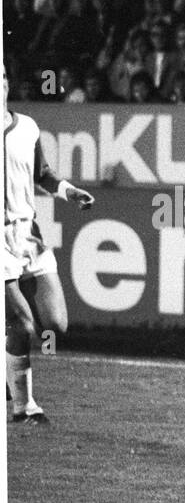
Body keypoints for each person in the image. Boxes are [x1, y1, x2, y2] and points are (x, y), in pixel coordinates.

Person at [3, 67, 95, 424]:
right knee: (23, 326)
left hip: (30, 235)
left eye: (4, 77)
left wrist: (70, 192)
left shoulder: (26, 127)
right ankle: (23, 406)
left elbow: (43, 175)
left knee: (56, 325)